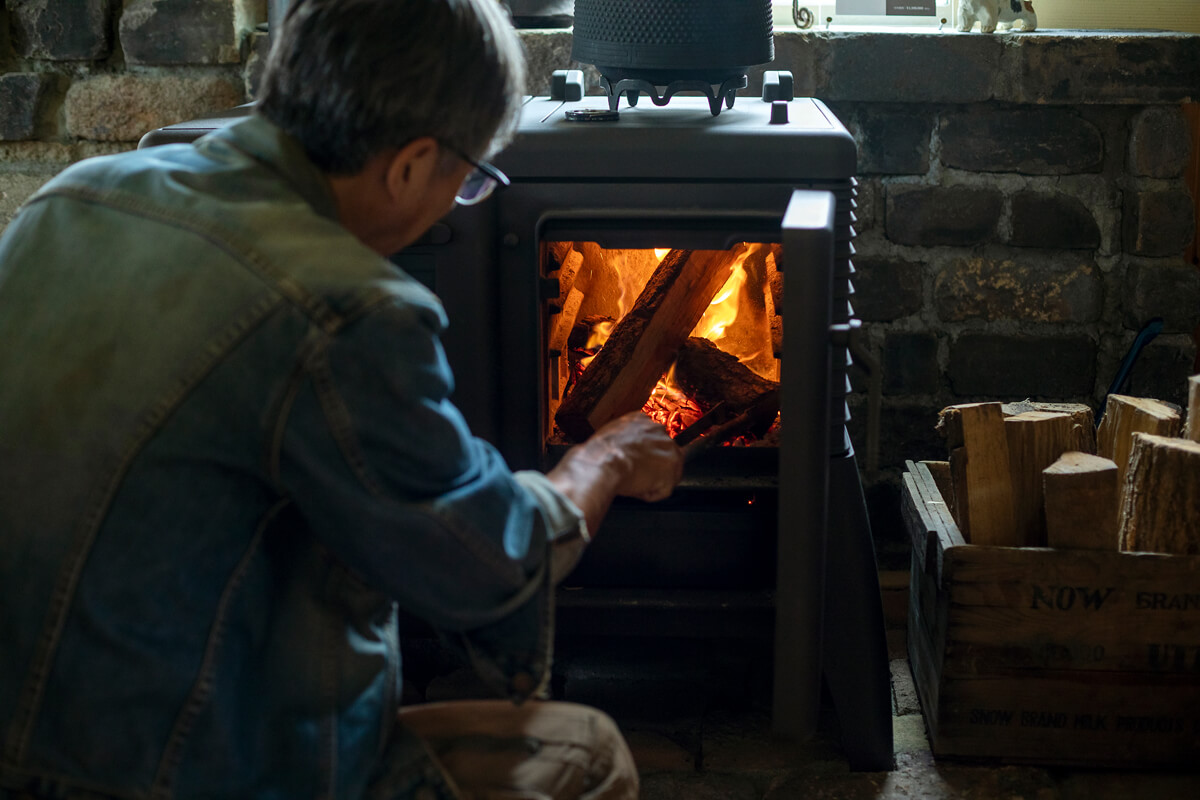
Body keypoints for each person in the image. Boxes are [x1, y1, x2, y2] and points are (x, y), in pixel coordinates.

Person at [0, 1, 683, 797]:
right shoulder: (343, 307)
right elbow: (482, 563)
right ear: (407, 165)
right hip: (164, 772)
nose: (459, 201)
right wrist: (600, 461)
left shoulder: (73, 199)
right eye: (467, 181)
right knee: (583, 754)